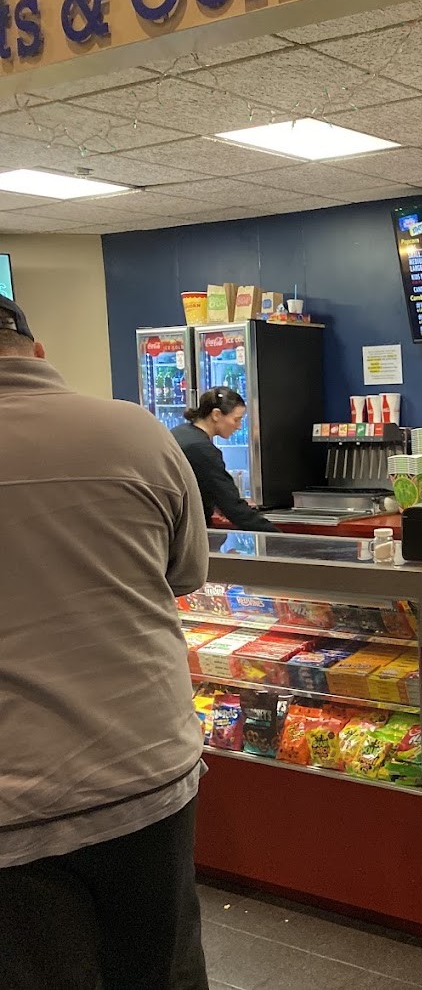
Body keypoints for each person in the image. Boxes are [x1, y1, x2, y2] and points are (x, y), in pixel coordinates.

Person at [0, 295, 211, 988]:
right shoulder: (136, 430)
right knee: (163, 969)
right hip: (146, 769)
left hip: (14, 810)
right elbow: (186, 574)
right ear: (37, 351)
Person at [173, 387, 279, 533]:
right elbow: (233, 507)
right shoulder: (201, 448)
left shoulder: (181, 432)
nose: (239, 426)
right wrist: (278, 538)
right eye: (236, 419)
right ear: (216, 414)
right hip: (186, 530)